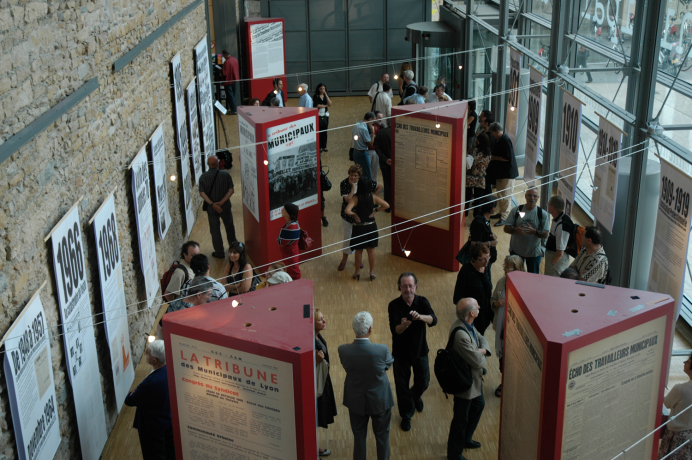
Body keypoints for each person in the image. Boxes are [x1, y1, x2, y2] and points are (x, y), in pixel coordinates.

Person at [338, 312, 395, 460]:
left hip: (355, 401)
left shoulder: (343, 350)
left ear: (353, 328)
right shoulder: (382, 350)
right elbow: (387, 365)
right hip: (380, 400)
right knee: (382, 438)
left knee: (359, 439)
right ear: (370, 329)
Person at [388, 273, 437, 431]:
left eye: (410, 285)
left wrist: (421, 317)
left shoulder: (422, 301)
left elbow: (433, 320)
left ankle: (413, 398)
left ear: (416, 286)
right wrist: (404, 325)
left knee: (424, 381)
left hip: (420, 350)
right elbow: (395, 330)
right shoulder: (394, 305)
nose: (407, 289)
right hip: (401, 353)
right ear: (399, 287)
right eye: (404, 286)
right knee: (401, 386)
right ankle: (406, 415)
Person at [447, 298, 490, 460]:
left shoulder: (467, 324)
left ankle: (466, 438)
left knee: (479, 405)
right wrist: (483, 352)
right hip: (464, 384)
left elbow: (481, 337)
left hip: (474, 382)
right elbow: (478, 362)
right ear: (472, 313)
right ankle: (454, 453)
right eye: (477, 307)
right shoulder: (461, 334)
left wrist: (482, 348)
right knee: (460, 419)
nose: (480, 307)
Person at [125, 340, 174, 460]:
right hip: (167, 421)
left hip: (152, 428)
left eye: (148, 353)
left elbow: (130, 400)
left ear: (154, 360)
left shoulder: (151, 382)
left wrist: (135, 391)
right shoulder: (171, 370)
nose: (146, 353)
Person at [490, 255, 524, 398]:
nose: (504, 270)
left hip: (517, 331)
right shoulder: (501, 282)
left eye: (507, 267)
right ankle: (504, 382)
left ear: (517, 269)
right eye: (504, 266)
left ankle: (513, 384)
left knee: (515, 360)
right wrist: (496, 304)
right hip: (502, 328)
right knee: (503, 359)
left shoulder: (524, 285)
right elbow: (492, 301)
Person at [345, 177, 390, 281]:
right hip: (371, 226)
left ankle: (357, 272)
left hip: (359, 228)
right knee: (371, 250)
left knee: (359, 251)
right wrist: (376, 211)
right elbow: (386, 205)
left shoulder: (355, 198)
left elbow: (347, 210)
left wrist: (355, 213)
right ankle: (372, 272)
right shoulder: (373, 197)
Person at [339, 165, 382, 271]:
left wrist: (372, 199)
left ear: (359, 176)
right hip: (348, 217)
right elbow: (348, 200)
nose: (353, 177)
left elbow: (380, 186)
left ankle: (358, 261)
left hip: (362, 218)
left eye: (355, 176)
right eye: (351, 175)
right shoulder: (344, 183)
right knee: (348, 238)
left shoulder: (365, 182)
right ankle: (344, 260)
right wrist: (353, 187)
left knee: (360, 239)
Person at [503, 188, 550, 274]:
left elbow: (545, 234)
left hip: (533, 254)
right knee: (514, 276)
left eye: (535, 196)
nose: (532, 198)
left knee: (532, 279)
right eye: (529, 195)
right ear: (525, 196)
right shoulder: (516, 210)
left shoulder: (542, 214)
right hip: (516, 251)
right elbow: (506, 228)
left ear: (538, 198)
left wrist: (534, 232)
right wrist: (516, 230)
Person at [199, 155, 236, 258]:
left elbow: (202, 193)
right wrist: (221, 202)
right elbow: (231, 190)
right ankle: (234, 251)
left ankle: (219, 253)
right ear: (218, 163)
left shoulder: (203, 177)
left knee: (215, 230)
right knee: (230, 228)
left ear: (208, 164)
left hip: (211, 209)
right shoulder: (225, 175)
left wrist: (212, 204)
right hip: (225, 207)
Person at [452, 242, 493, 335]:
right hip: (472, 315)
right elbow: (458, 297)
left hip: (485, 312)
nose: (486, 261)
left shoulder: (485, 267)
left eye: (488, 257)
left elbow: (488, 288)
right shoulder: (466, 272)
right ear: (473, 259)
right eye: (482, 259)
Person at [658, 354, 692, 460]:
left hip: (676, 435)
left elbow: (667, 403)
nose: (684, 363)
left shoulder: (680, 389)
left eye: (688, 362)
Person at [315, 308, 338, 457]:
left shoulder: (317, 336)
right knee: (314, 417)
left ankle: (314, 447)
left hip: (322, 381)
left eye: (323, 318)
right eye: (320, 319)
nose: (324, 321)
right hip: (316, 385)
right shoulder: (310, 341)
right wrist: (315, 361)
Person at [487, 122, 519, 226]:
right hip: (501, 172)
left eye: (493, 133)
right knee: (500, 194)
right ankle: (501, 213)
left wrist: (493, 158)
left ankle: (504, 217)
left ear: (497, 131)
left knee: (506, 196)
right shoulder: (499, 139)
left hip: (507, 173)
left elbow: (507, 158)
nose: (492, 135)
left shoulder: (505, 141)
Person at [468, 196, 498, 284]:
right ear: (493, 209)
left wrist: (492, 236)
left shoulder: (485, 219)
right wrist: (490, 243)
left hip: (485, 259)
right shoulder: (479, 222)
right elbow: (474, 244)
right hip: (481, 260)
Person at [465, 133, 492, 215]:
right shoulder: (488, 153)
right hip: (481, 178)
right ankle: (476, 216)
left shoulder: (474, 151)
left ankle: (465, 214)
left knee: (467, 198)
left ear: (479, 141)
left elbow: (468, 160)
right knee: (478, 200)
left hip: (470, 177)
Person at [545, 195, 572, 277]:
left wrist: (551, 263)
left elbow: (560, 253)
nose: (547, 206)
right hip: (553, 257)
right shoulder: (557, 219)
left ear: (553, 208)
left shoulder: (562, 226)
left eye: (548, 204)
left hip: (556, 263)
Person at [277, 203, 302, 280]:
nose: (282, 211)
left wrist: (279, 240)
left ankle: (297, 286)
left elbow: (283, 242)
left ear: (288, 213)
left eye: (284, 210)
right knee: (289, 269)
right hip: (288, 252)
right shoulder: (288, 223)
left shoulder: (292, 226)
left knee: (294, 271)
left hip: (291, 253)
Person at [352, 112, 375, 181]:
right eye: (373, 121)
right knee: (367, 174)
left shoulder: (356, 124)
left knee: (359, 173)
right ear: (370, 119)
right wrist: (373, 133)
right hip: (362, 154)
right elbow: (370, 144)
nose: (373, 123)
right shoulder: (364, 129)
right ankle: (370, 190)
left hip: (355, 151)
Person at [374, 121, 392, 207]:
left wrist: (385, 159)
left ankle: (387, 205)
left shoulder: (380, 132)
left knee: (387, 184)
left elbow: (376, 147)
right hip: (398, 164)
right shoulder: (400, 132)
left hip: (385, 164)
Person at [314, 83, 332, 152]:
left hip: (325, 115)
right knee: (319, 131)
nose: (322, 90)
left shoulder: (325, 96)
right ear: (318, 89)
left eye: (323, 89)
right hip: (318, 115)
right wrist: (325, 105)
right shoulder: (316, 96)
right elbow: (317, 105)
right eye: (321, 89)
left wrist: (326, 95)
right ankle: (319, 146)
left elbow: (330, 104)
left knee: (325, 131)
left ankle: (324, 146)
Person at [221, 50, 239, 114]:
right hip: (235, 80)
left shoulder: (226, 62)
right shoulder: (234, 59)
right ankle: (232, 108)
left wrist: (221, 71)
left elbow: (224, 73)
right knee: (233, 95)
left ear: (224, 55)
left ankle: (234, 110)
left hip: (228, 81)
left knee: (230, 96)